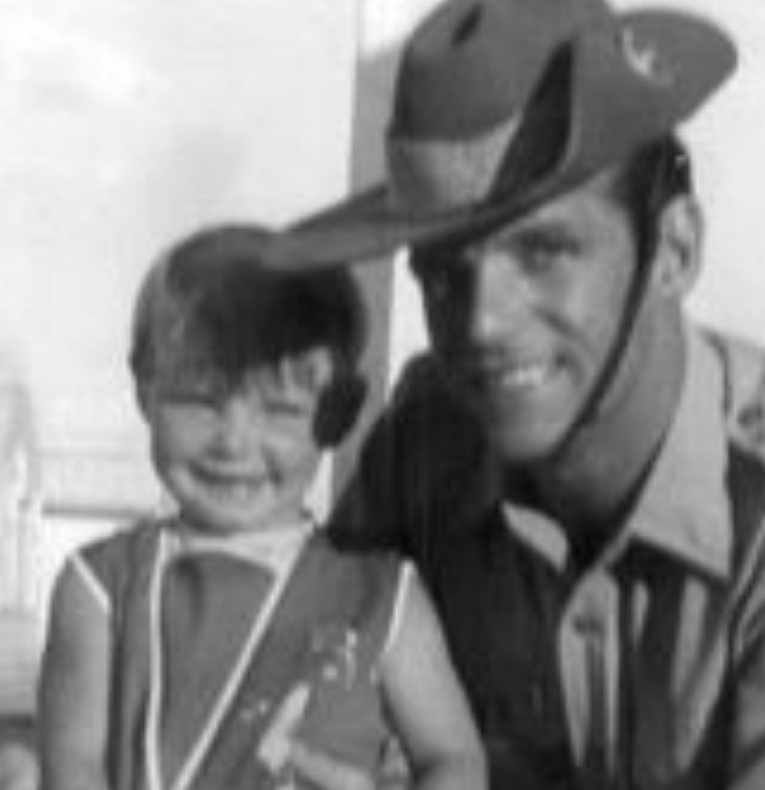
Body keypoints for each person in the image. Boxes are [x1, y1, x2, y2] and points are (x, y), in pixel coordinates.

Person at [264, 0, 765, 788]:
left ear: (674, 251)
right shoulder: (426, 452)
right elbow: (299, 707)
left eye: (543, 252)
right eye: (443, 272)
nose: (481, 324)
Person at [37, 224, 487, 790]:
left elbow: (455, 759)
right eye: (199, 402)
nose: (233, 443)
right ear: (144, 390)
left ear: (341, 415)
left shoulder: (385, 596)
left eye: (280, 410)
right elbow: (73, 765)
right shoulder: (100, 587)